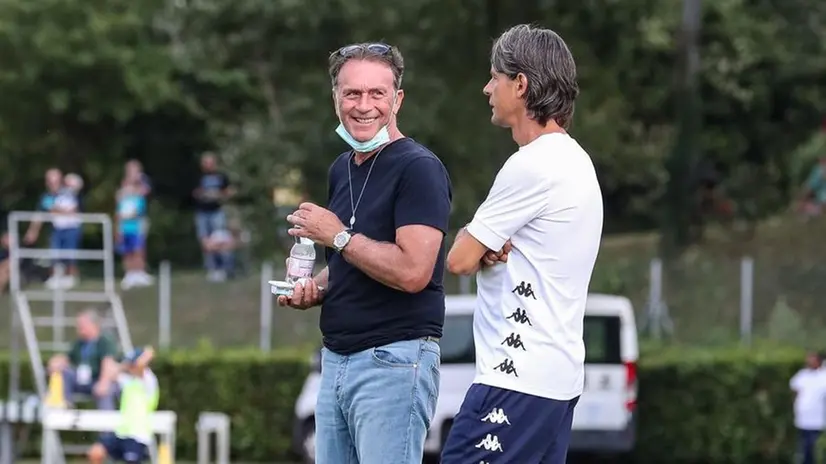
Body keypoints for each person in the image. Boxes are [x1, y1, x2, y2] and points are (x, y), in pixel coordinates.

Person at [280, 42, 452, 464]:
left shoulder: (420, 168)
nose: (364, 105)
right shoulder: (341, 168)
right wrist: (314, 287)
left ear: (398, 99)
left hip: (393, 360)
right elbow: (353, 262)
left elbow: (413, 271)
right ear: (335, 98)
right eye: (352, 93)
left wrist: (336, 236)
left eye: (377, 93)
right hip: (335, 359)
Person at [441, 24, 603, 464]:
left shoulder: (531, 165)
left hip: (516, 380)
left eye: (494, 76)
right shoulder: (577, 161)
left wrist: (473, 243)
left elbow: (459, 260)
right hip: (558, 382)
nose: (486, 88)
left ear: (521, 84)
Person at [87, 347, 158, 464]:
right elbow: (112, 373)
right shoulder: (129, 381)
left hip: (137, 435)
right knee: (96, 452)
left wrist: (140, 358)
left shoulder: (149, 380)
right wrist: (122, 364)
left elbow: (142, 363)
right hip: (121, 433)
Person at [46, 310, 120, 410]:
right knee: (65, 373)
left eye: (82, 325)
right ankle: (63, 407)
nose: (79, 328)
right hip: (82, 381)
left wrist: (103, 382)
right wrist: (56, 363)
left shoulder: (104, 341)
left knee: (106, 389)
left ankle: (106, 422)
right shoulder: (79, 343)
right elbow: (67, 358)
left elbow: (108, 362)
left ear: (93, 325)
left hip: (97, 380)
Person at [192, 153, 234, 282]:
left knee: (219, 240)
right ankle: (212, 269)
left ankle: (225, 268)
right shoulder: (198, 177)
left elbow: (229, 191)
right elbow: (194, 193)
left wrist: (218, 195)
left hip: (217, 212)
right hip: (202, 213)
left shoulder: (221, 176)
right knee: (206, 241)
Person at [116, 177, 153, 289]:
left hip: (136, 229)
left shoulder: (139, 199)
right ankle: (129, 274)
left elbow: (137, 213)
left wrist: (127, 215)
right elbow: (119, 216)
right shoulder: (122, 201)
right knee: (127, 252)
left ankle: (139, 273)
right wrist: (118, 230)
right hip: (125, 229)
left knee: (138, 251)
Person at [790, 351, 826, 464]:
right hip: (803, 419)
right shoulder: (802, 374)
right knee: (805, 449)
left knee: (816, 448)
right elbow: (794, 389)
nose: (809, 361)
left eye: (812, 359)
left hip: (818, 420)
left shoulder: (823, 376)